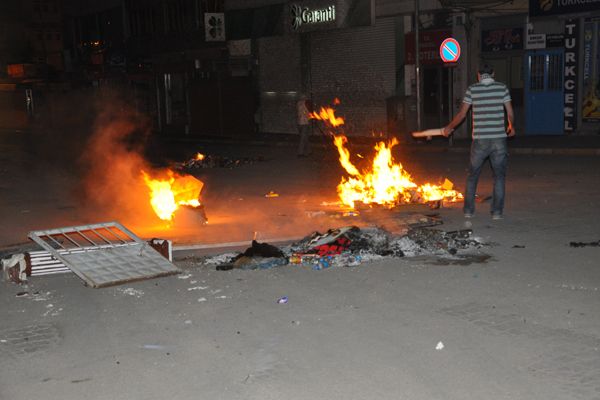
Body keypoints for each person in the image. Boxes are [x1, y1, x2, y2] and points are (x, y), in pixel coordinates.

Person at [443, 64, 515, 220]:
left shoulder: (472, 89)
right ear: (493, 73)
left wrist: (449, 127)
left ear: (478, 75)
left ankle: (469, 211)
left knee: (472, 175)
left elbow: (462, 114)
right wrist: (511, 125)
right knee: (499, 177)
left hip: (480, 140)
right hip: (498, 139)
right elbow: (509, 111)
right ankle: (497, 213)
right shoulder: (502, 88)